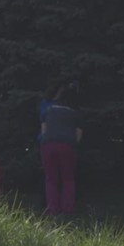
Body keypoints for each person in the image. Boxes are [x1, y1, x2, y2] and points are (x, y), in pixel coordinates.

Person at [40, 83, 82, 216]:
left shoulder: (49, 111)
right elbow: (78, 136)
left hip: (48, 145)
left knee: (51, 178)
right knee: (68, 179)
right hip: (67, 146)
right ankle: (67, 210)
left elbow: (44, 131)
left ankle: (53, 210)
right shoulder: (75, 114)